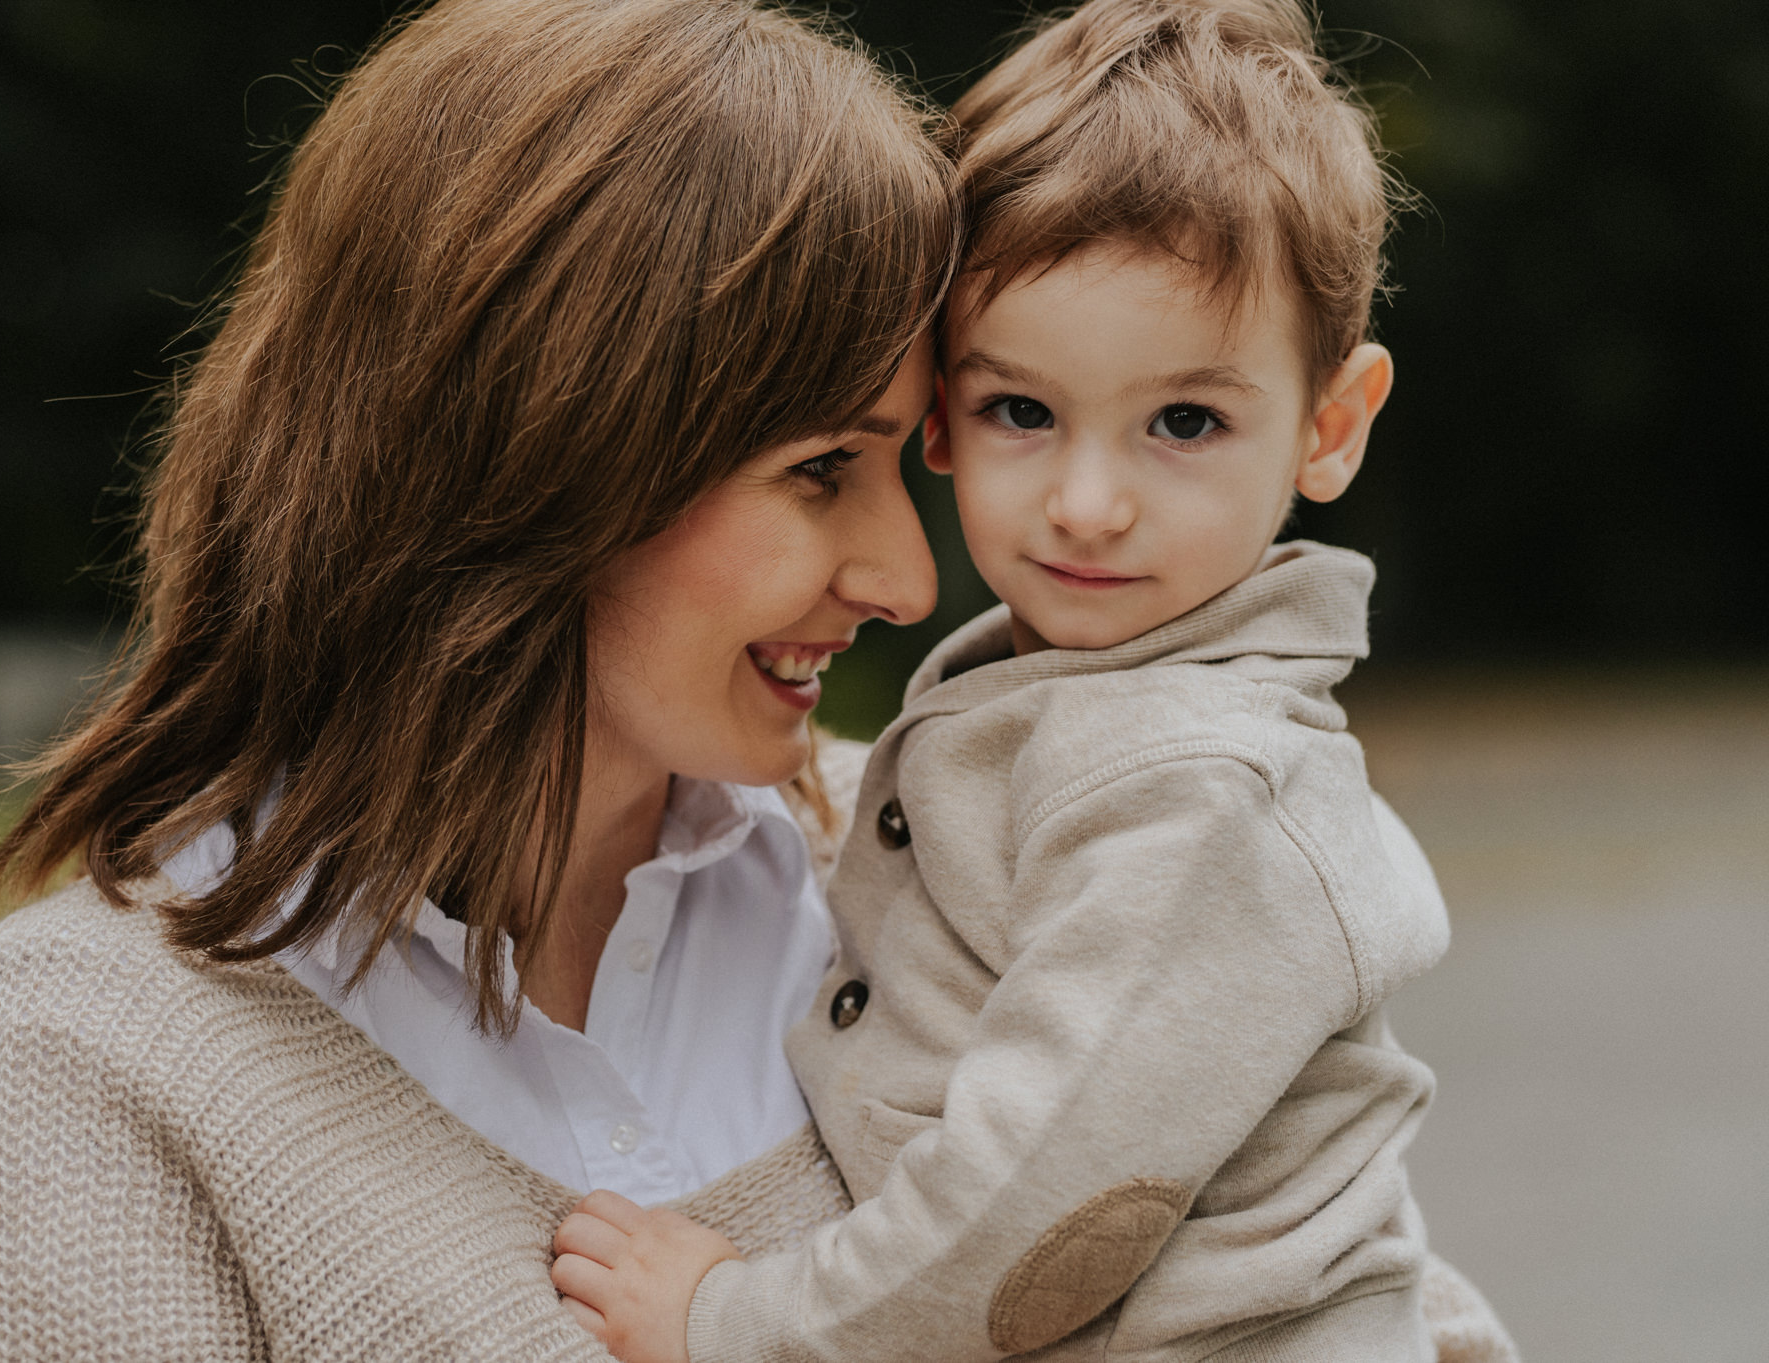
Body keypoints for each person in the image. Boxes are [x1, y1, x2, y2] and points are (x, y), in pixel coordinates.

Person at [0, 0, 957, 1356]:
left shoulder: (939, 875)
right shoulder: (96, 1057)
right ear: (544, 451)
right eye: (822, 470)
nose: (906, 580)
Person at [550, 3, 1520, 1361]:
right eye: (1024, 410)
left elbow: (1032, 1209)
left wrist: (736, 1324)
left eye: (1185, 422)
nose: (1085, 503)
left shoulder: (1198, 788)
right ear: (942, 409)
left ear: (1330, 424)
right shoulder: (1060, 693)